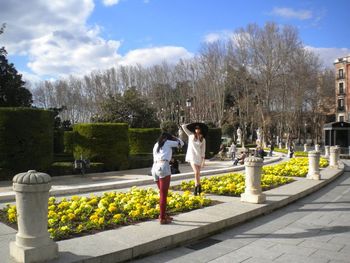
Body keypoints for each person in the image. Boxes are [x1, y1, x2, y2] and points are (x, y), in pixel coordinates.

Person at [151, 132, 184, 224]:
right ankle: (162, 217)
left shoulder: (156, 144)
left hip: (154, 168)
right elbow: (181, 143)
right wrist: (175, 137)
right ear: (168, 138)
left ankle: (164, 214)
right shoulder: (168, 142)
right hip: (163, 166)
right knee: (163, 195)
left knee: (162, 194)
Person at [181, 123, 206, 196]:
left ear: (200, 130)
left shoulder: (202, 139)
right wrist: (192, 123)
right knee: (196, 172)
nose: (197, 130)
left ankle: (199, 187)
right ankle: (196, 187)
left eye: (198, 129)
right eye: (196, 129)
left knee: (198, 174)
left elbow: (203, 150)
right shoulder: (191, 136)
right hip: (192, 156)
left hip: (199, 157)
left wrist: (203, 161)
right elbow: (183, 127)